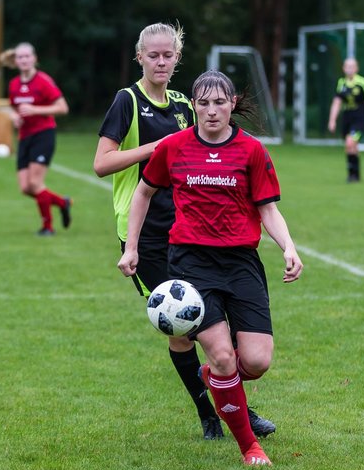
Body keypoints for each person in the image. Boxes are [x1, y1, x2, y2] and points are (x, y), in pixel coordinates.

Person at [94, 24, 275, 442]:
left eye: (168, 55)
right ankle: (211, 414)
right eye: (152, 55)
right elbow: (102, 163)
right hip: (145, 231)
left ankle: (226, 407)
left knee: (211, 329)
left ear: (177, 59)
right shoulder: (128, 101)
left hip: (188, 229)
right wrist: (155, 149)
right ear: (139, 57)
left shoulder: (182, 103)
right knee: (185, 325)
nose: (160, 62)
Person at [118, 70, 303, 466]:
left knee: (255, 361)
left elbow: (268, 209)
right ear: (195, 106)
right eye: (203, 103)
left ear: (232, 103)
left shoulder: (252, 151)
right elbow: (143, 192)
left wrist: (288, 247)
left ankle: (215, 379)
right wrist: (131, 247)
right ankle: (250, 447)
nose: (211, 110)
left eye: (219, 102)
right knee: (223, 356)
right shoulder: (175, 146)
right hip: (191, 265)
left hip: (240, 263)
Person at [7, 42, 72, 236]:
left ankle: (47, 227)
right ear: (15, 60)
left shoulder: (43, 81)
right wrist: (15, 118)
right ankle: (62, 203)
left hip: (44, 134)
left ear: (34, 59)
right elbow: (14, 109)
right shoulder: (14, 84)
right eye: (20, 57)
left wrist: (36, 109)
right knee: (26, 188)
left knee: (35, 183)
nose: (24, 60)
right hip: (24, 137)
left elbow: (63, 107)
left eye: (27, 56)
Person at [326, 57, 364, 183]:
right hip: (347, 117)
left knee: (350, 143)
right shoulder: (341, 83)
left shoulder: (363, 83)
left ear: (356, 68)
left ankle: (352, 175)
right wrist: (332, 120)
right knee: (351, 147)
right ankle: (355, 174)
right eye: (347, 66)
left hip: (359, 118)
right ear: (343, 68)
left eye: (352, 66)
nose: (349, 69)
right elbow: (336, 102)